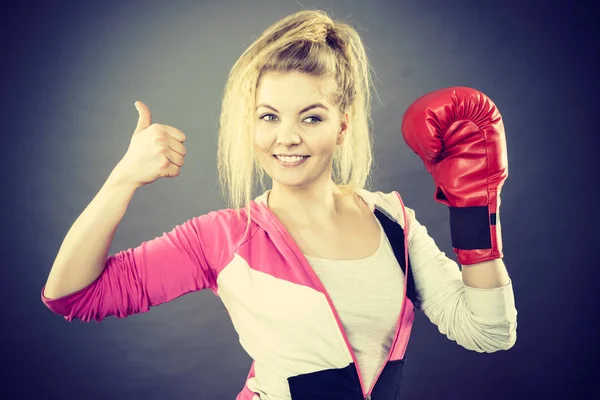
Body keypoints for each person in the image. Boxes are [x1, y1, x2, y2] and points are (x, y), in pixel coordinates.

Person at [41, 9, 517, 400]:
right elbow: (72, 295)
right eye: (269, 116)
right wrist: (122, 179)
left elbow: (488, 332)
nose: (287, 137)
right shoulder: (223, 238)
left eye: (311, 117)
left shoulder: (394, 222)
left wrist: (475, 205)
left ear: (342, 125)